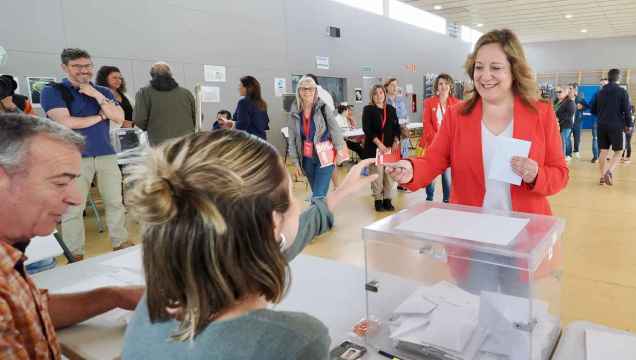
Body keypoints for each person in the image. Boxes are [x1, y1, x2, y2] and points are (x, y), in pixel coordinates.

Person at [121, 130, 377, 360]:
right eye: (290, 194)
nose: (298, 204)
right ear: (273, 223)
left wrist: (341, 193)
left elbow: (277, 242)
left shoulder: (153, 302)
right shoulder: (295, 340)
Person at [386, 29, 568, 295]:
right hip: (472, 240)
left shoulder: (540, 113)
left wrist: (535, 174)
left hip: (523, 240)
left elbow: (560, 174)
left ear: (514, 71)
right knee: (472, 311)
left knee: (514, 316)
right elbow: (434, 160)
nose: (485, 75)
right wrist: (410, 168)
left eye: (496, 67)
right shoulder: (457, 116)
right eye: (479, 67)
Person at [0, 113, 143, 359]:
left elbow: (28, 309)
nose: (77, 198)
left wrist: (113, 296)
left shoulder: (9, 257)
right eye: (60, 183)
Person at [40, 48, 130, 260]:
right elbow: (66, 122)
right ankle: (75, 252)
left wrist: (96, 95)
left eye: (87, 66)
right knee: (73, 209)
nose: (84, 71)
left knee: (115, 202)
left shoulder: (103, 92)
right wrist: (100, 117)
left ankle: (121, 241)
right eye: (77, 66)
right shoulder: (52, 91)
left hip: (106, 154)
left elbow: (118, 117)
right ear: (65, 67)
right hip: (73, 157)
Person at [287, 76, 346, 199]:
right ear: (299, 91)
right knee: (317, 193)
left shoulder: (323, 107)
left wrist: (340, 149)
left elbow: (335, 129)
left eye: (310, 89)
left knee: (318, 194)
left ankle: (321, 217)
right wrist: (296, 163)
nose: (307, 91)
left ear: (315, 91)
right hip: (307, 158)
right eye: (304, 89)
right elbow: (292, 139)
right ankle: (323, 216)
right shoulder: (294, 111)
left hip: (325, 155)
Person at [419, 73, 461, 203]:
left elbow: (458, 125)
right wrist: (437, 140)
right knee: (430, 174)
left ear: (450, 86)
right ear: (437, 86)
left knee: (447, 175)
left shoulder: (457, 103)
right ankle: (429, 198)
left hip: (449, 146)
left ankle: (447, 200)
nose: (443, 86)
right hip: (433, 144)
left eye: (446, 83)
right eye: (441, 83)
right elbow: (426, 123)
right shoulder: (429, 102)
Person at [133, 62, 196, 145]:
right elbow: (198, 116)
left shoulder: (144, 93)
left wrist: (150, 128)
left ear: (152, 75)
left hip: (159, 143)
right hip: (186, 142)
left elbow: (139, 119)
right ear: (170, 74)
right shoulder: (186, 93)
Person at [590, 68, 632, 186]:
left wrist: (603, 114)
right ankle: (609, 172)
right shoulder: (622, 92)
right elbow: (627, 110)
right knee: (618, 151)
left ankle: (602, 177)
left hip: (601, 125)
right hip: (616, 125)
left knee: (603, 151)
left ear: (608, 78)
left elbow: (593, 109)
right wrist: (628, 124)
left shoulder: (600, 92)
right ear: (618, 78)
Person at [363, 84, 401, 212]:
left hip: (390, 149)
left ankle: (388, 199)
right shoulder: (368, 109)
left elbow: (396, 127)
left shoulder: (391, 109)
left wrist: (396, 140)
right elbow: (367, 129)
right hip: (375, 148)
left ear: (384, 94)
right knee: (377, 175)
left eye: (381, 92)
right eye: (375, 93)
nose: (378, 95)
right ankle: (378, 200)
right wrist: (379, 144)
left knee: (388, 175)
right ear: (372, 96)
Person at [590, 78, 609, 163]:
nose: (602, 86)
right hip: (597, 120)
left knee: (605, 139)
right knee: (596, 138)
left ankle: (602, 156)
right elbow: (591, 105)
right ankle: (596, 157)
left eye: (604, 84)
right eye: (601, 85)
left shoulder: (610, 95)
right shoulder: (597, 94)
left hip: (607, 121)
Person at [555, 86, 576, 161]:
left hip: (566, 125)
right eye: (557, 92)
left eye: (560, 92)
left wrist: (558, 118)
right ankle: (565, 155)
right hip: (560, 124)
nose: (558, 94)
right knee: (565, 140)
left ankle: (563, 157)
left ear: (565, 93)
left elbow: (570, 114)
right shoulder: (559, 101)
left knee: (563, 140)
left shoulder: (570, 102)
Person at [570, 83, 588, 159]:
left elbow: (586, 106)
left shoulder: (580, 97)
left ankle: (576, 150)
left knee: (577, 137)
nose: (570, 90)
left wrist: (581, 107)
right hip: (568, 121)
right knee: (567, 138)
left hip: (577, 121)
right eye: (569, 88)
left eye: (571, 88)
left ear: (575, 89)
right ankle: (568, 153)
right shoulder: (567, 97)